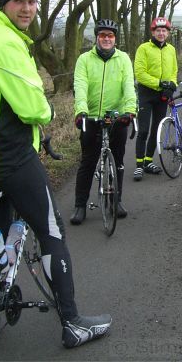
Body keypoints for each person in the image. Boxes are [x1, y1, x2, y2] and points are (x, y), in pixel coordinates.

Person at [0, 0, 111, 348]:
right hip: (9, 155)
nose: (28, 8)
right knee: (51, 232)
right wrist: (49, 115)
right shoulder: (6, 42)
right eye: (19, 0)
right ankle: (73, 323)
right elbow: (32, 109)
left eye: (33, 0)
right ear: (3, 3)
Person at [71, 19, 136, 224]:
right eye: (103, 35)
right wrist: (81, 110)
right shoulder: (84, 59)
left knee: (117, 161)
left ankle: (115, 201)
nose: (106, 39)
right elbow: (80, 85)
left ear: (115, 39)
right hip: (90, 116)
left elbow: (128, 86)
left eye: (110, 36)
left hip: (116, 117)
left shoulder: (123, 58)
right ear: (97, 37)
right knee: (88, 161)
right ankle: (80, 206)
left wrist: (129, 111)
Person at [133, 17, 178, 181]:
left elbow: (174, 70)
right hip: (146, 93)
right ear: (152, 32)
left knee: (156, 130)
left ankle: (148, 162)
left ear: (167, 33)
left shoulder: (171, 49)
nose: (161, 33)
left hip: (163, 95)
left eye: (164, 30)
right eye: (158, 30)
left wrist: (172, 84)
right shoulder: (143, 48)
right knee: (143, 130)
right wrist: (159, 83)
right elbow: (140, 73)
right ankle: (138, 166)